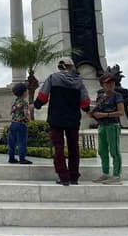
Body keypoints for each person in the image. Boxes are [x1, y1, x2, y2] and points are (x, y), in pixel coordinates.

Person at [34, 57, 90, 186]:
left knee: (58, 147)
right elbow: (85, 102)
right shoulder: (79, 82)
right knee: (74, 148)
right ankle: (74, 176)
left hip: (56, 118)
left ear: (60, 67)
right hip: (73, 119)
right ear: (71, 66)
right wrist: (87, 110)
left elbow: (43, 96)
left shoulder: (53, 78)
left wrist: (36, 105)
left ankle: (63, 177)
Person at [90, 74, 124, 185]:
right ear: (102, 85)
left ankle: (116, 175)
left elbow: (121, 112)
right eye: (107, 83)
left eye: (112, 83)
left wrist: (106, 115)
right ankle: (105, 173)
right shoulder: (100, 97)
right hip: (102, 126)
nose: (110, 85)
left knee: (114, 151)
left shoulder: (117, 96)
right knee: (102, 150)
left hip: (112, 125)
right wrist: (94, 114)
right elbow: (96, 111)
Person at [8, 83, 33, 164]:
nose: (28, 92)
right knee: (22, 142)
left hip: (13, 124)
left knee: (12, 142)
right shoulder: (24, 102)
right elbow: (26, 113)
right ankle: (22, 159)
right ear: (24, 92)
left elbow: (11, 111)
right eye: (27, 90)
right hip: (21, 124)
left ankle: (11, 158)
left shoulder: (15, 101)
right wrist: (30, 120)